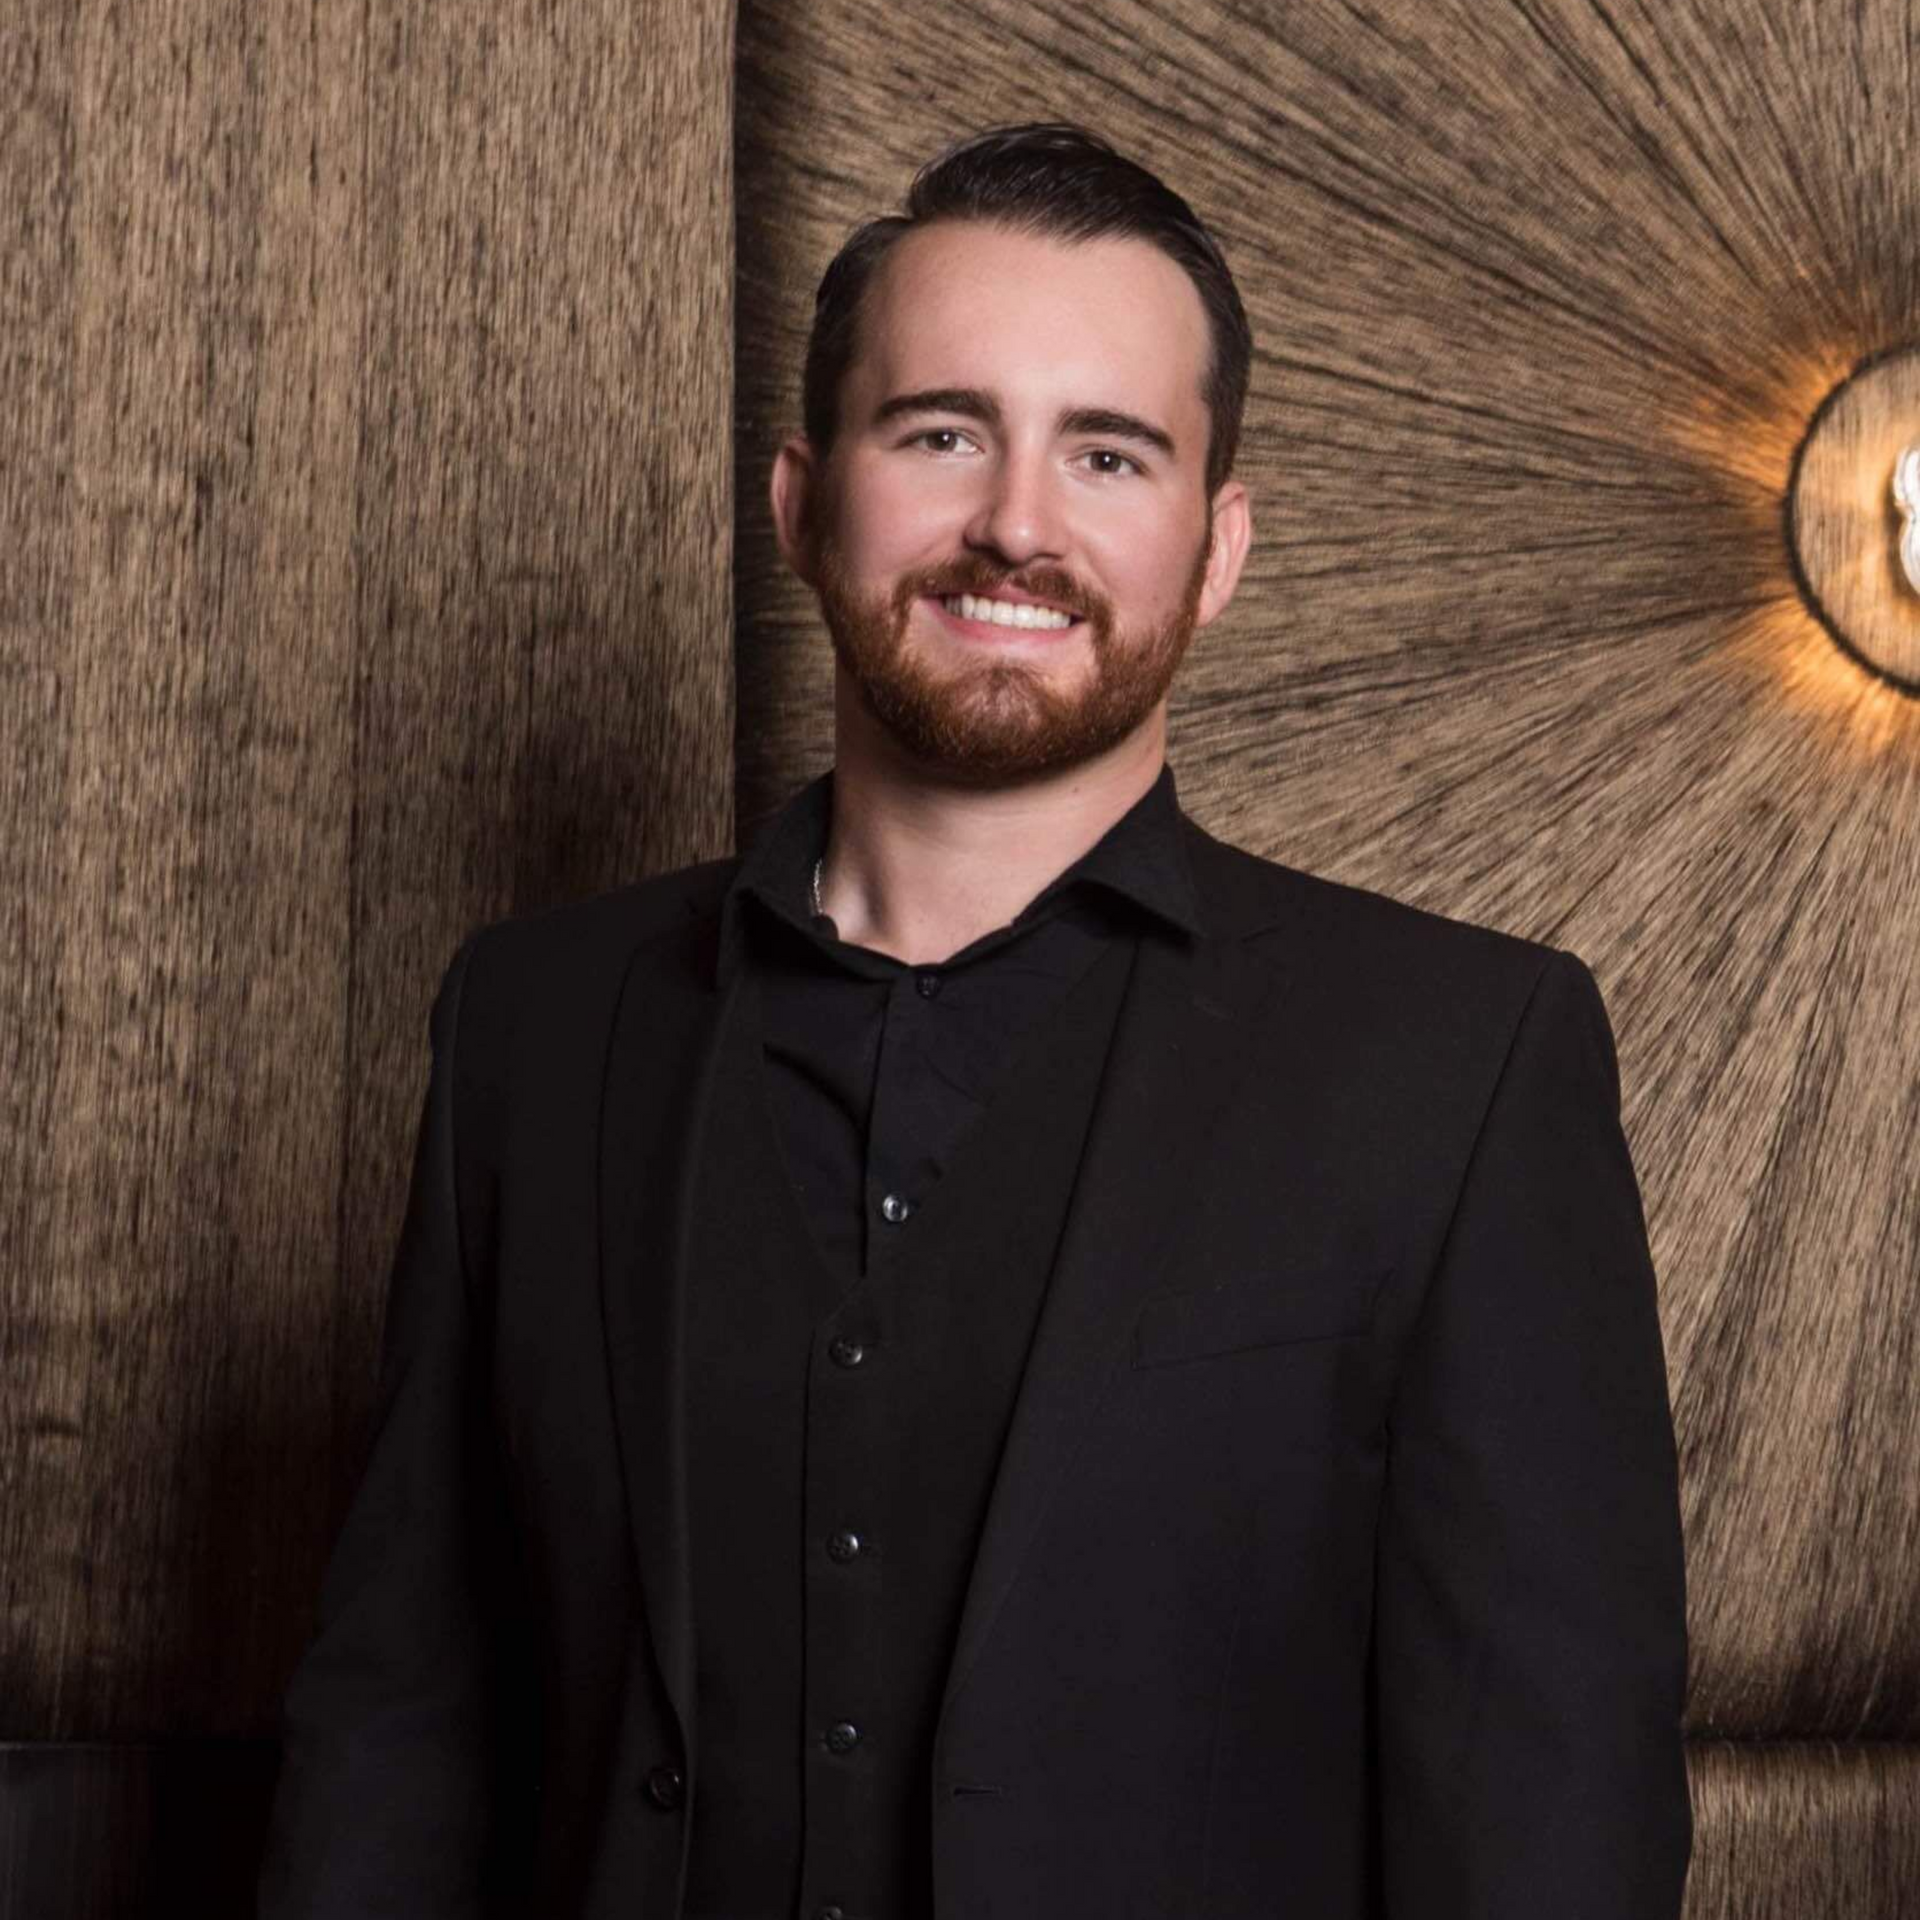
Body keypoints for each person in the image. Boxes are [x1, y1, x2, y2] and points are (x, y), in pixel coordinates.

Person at [259, 122, 1691, 1919]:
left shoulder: (1464, 1064)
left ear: (1218, 545)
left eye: (1109, 451)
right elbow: (403, 1725)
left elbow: (1545, 1812)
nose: (1017, 520)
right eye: (941, 431)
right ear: (799, 501)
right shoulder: (528, 1035)